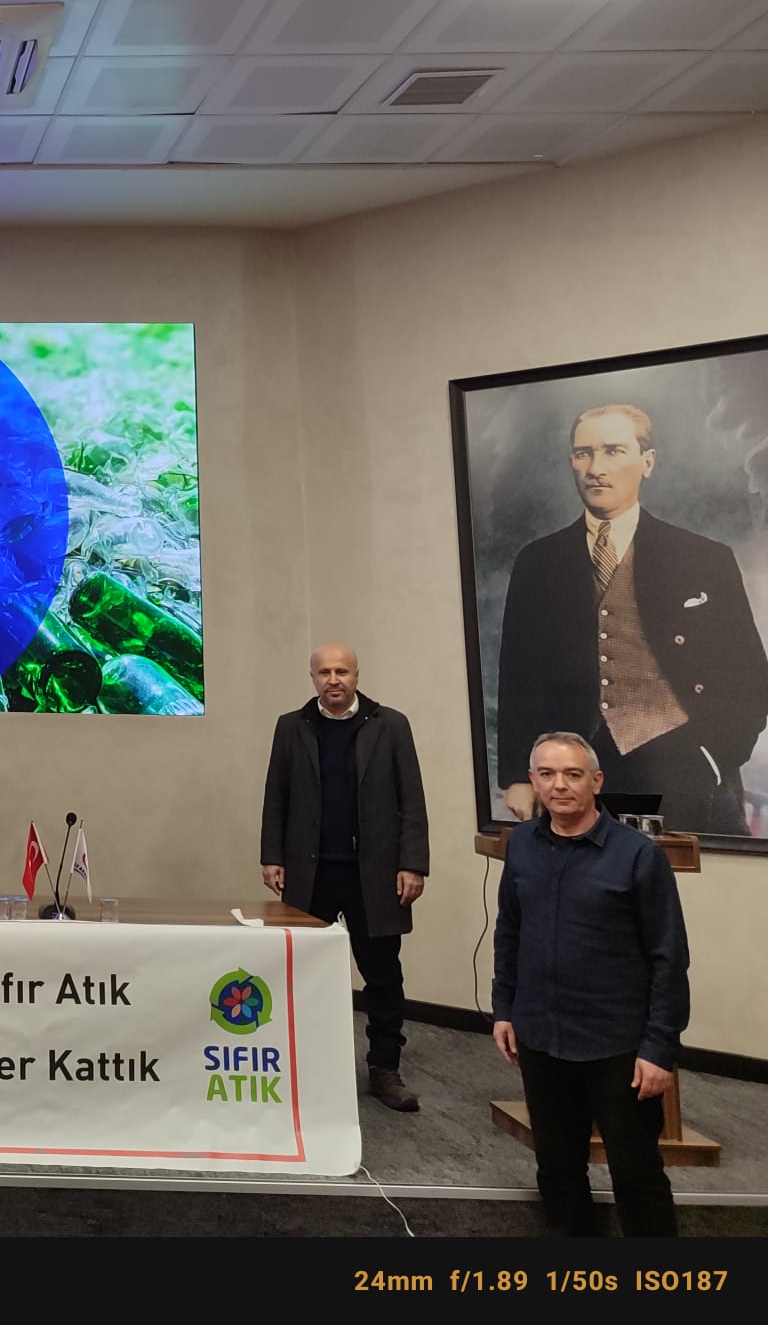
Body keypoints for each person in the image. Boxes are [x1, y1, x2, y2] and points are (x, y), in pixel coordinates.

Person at [497, 403, 768, 836]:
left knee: (682, 877)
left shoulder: (704, 558)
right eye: (583, 453)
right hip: (576, 774)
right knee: (581, 877)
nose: (595, 468)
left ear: (648, 461)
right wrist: (517, 774)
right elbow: (518, 677)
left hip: (685, 770)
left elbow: (750, 675)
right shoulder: (538, 562)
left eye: (613, 450)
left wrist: (715, 756)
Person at [493, 731, 689, 1238]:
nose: (559, 785)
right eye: (547, 774)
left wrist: (659, 1049)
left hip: (618, 1048)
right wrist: (504, 1009)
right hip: (541, 1038)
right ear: (533, 780)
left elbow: (668, 957)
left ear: (596, 782)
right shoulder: (521, 847)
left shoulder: (638, 856)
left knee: (636, 1175)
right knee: (557, 1169)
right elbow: (510, 931)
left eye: (572, 774)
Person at [260, 645, 430, 1112]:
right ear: (312, 677)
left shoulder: (390, 725)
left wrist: (413, 863)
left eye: (342, 671)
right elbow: (276, 796)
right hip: (310, 871)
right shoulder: (291, 726)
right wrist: (272, 856)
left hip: (374, 875)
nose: (333, 679)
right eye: (324, 672)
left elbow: (412, 800)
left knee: (382, 976)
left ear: (357, 675)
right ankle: (307, 1065)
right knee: (303, 973)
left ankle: (384, 1068)